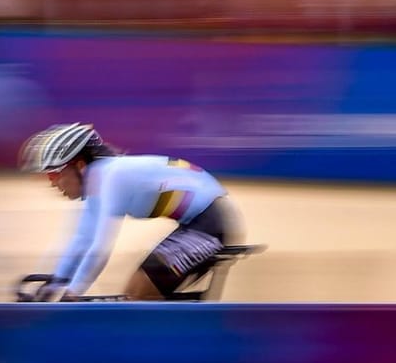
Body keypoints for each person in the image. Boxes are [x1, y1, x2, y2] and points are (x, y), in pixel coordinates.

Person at [18, 122, 245, 301]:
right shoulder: (99, 180)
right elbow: (81, 239)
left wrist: (73, 292)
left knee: (139, 292)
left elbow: (99, 247)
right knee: (137, 295)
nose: (52, 183)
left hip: (210, 225)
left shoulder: (109, 177)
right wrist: (56, 282)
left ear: (79, 166)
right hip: (199, 222)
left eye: (54, 174)